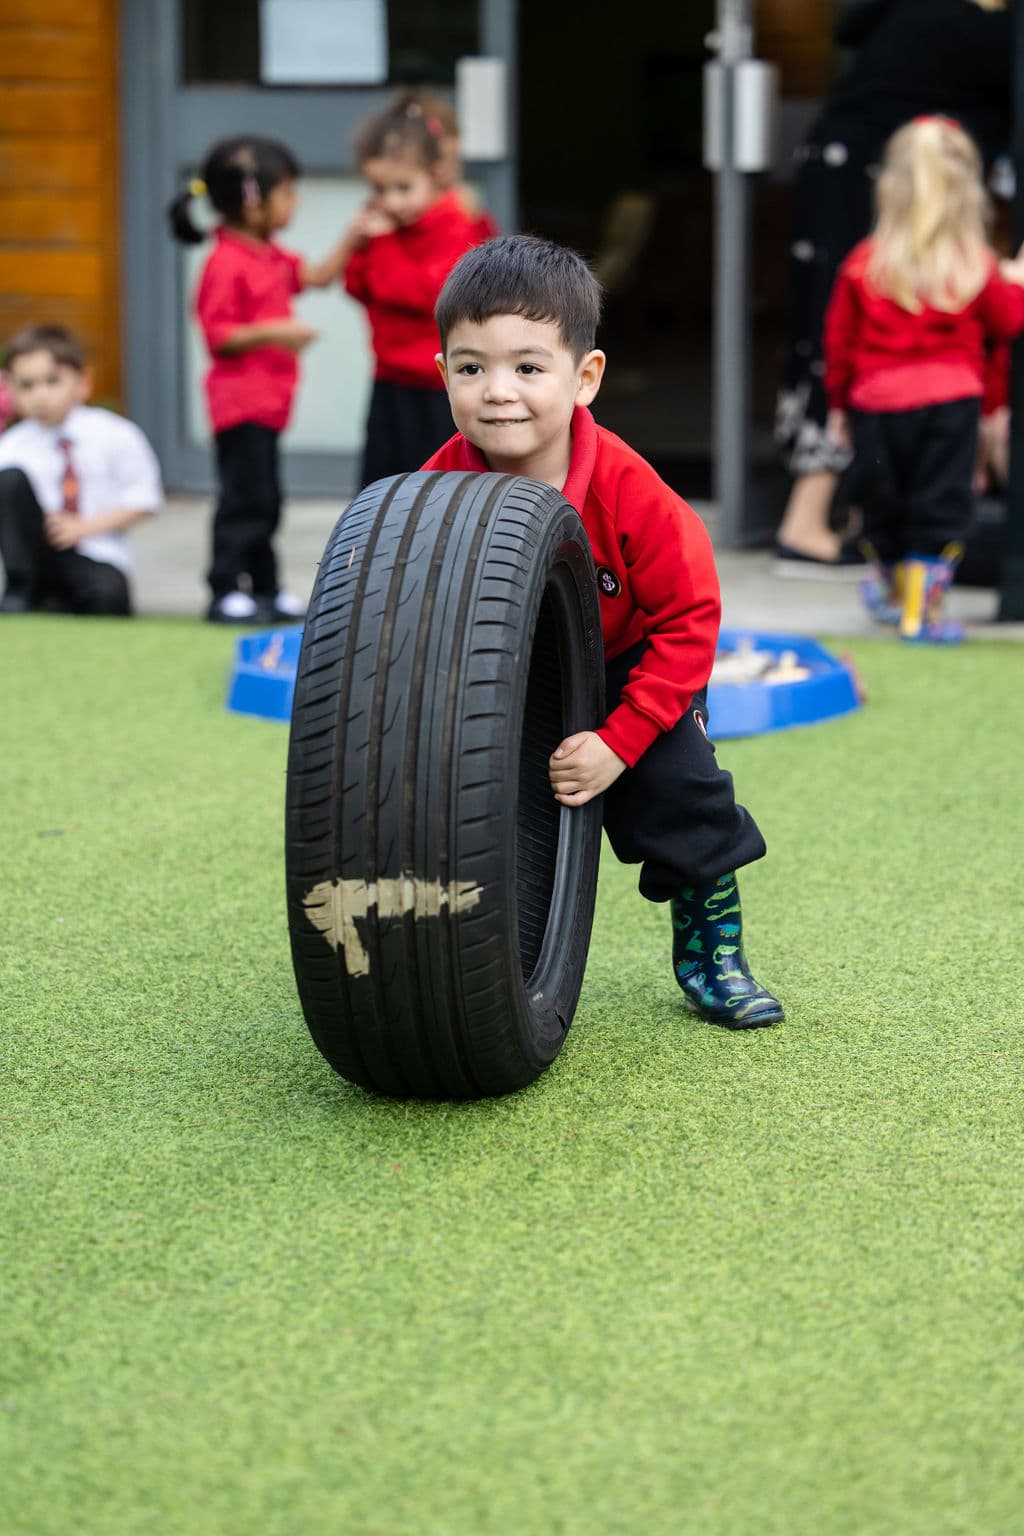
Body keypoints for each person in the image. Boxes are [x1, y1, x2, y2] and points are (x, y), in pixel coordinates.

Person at [424, 235, 783, 1029]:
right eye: (471, 367)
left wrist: (622, 740)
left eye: (528, 367)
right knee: (470, 804)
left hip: (628, 673)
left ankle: (711, 950)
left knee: (684, 793)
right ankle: (476, 947)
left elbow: (690, 620)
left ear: (584, 379)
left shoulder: (630, 490)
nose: (497, 392)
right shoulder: (436, 489)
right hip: (503, 676)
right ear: (443, 373)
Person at [775, 0, 1014, 574]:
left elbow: (849, 27)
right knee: (852, 326)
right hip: (879, 176)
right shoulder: (992, 30)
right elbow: (1006, 318)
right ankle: (814, 522)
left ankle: (856, 529)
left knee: (832, 329)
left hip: (859, 169)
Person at [823, 115, 1024, 642]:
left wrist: (839, 406)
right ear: (967, 193)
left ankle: (892, 590)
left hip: (876, 406)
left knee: (882, 501)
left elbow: (838, 345)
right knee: (941, 507)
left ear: (890, 188)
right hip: (951, 406)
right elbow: (1008, 322)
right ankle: (921, 610)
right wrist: (1017, 283)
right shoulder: (974, 265)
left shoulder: (865, 263)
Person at [170, 135, 350, 624]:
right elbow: (217, 335)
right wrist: (276, 331)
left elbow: (316, 277)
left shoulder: (270, 255)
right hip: (240, 403)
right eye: (288, 193)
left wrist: (357, 232)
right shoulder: (225, 262)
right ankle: (225, 588)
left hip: (268, 403)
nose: (295, 203)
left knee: (265, 497)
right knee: (247, 499)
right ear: (252, 202)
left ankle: (265, 590)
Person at [340, 97, 489, 488]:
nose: (390, 201)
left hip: (435, 382)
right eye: (378, 188)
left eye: (403, 188)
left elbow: (426, 295)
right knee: (382, 483)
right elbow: (358, 286)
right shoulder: (388, 224)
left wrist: (384, 244)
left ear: (437, 174)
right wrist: (359, 245)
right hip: (390, 375)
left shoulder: (453, 227)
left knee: (433, 485)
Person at [0, 325, 161, 615]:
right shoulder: (11, 446)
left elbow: (145, 499)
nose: (40, 396)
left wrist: (83, 528)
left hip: (95, 552)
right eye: (27, 385)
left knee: (109, 595)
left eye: (52, 381)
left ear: (83, 381)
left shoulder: (116, 433)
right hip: (35, 556)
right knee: (10, 479)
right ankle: (24, 590)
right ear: (10, 389)